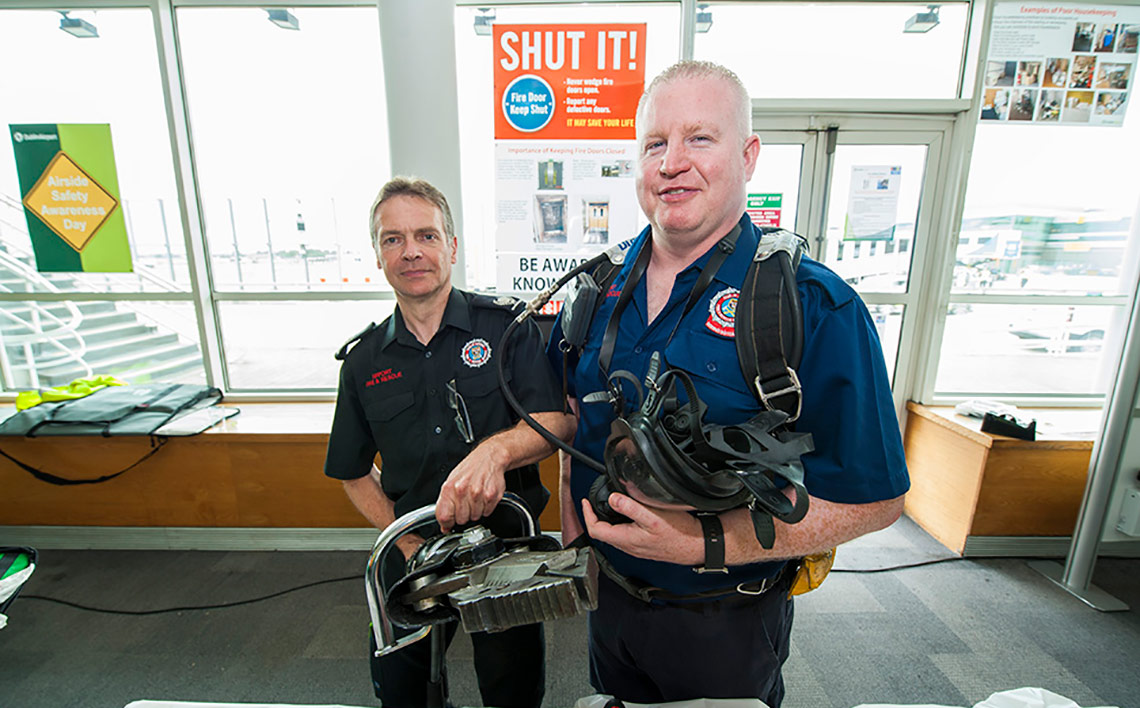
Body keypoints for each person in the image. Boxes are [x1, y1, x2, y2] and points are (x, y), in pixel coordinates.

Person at [547, 61, 909, 707]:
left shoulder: (812, 306)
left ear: (748, 156)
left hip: (727, 622)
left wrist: (705, 543)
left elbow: (876, 502)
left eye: (700, 139)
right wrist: (578, 543)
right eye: (655, 143)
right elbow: (576, 418)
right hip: (612, 611)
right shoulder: (595, 292)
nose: (672, 162)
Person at [324, 176, 575, 708]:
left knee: (513, 692)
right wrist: (411, 545)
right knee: (404, 692)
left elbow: (555, 420)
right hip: (415, 555)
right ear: (377, 254)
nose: (411, 251)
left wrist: (495, 451)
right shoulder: (364, 361)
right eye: (393, 239)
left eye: (426, 235)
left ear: (452, 246)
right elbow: (350, 471)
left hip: (504, 549)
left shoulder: (507, 327)